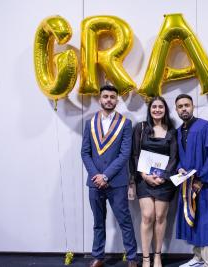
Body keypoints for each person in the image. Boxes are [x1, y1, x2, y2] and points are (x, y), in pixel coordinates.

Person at [81, 85, 138, 267]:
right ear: (100, 99)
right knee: (98, 222)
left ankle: (131, 257)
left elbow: (125, 154)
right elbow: (85, 152)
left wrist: (105, 176)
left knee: (125, 221)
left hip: (117, 182)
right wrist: (96, 175)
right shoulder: (90, 123)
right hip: (94, 182)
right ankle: (98, 256)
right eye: (105, 96)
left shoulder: (125, 123)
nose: (109, 100)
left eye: (112, 97)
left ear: (117, 100)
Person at [174, 94, 208, 267]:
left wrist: (201, 180)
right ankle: (197, 257)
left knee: (206, 222)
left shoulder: (205, 127)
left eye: (186, 105)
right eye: (180, 106)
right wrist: (179, 167)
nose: (184, 109)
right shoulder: (179, 131)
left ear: (193, 106)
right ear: (176, 110)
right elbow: (180, 156)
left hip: (204, 185)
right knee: (192, 219)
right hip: (187, 185)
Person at [130, 96, 178, 267]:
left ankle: (157, 255)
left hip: (164, 182)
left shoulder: (172, 131)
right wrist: (144, 175)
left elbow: (174, 158)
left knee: (160, 217)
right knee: (147, 216)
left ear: (165, 110)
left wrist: (162, 176)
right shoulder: (141, 128)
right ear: (150, 110)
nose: (157, 110)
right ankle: (145, 258)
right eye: (154, 107)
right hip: (144, 180)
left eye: (161, 107)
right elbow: (135, 154)